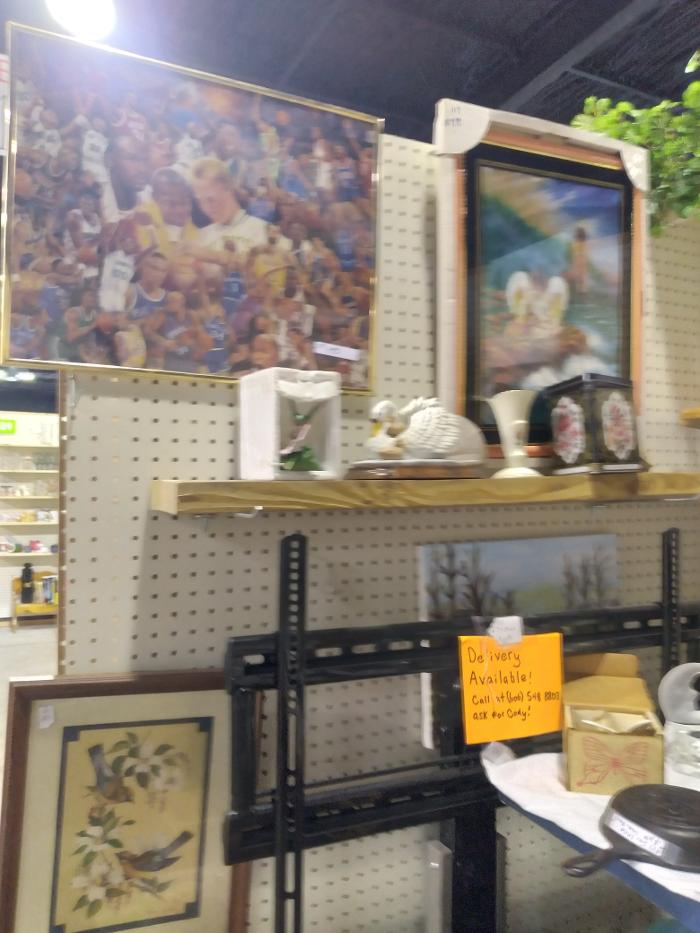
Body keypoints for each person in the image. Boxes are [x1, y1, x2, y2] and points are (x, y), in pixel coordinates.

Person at [191, 157, 266, 263]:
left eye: (211, 199)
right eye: (201, 202)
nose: (207, 207)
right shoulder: (200, 238)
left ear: (228, 188)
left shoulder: (262, 231)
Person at [135, 168, 198, 260]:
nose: (180, 210)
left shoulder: (196, 223)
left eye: (184, 202)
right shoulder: (142, 219)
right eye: (171, 203)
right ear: (154, 198)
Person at [101, 134, 151, 224]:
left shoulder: (151, 198)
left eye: (145, 160)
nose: (142, 169)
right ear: (110, 160)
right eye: (132, 159)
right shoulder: (97, 201)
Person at [126, 252, 168, 323]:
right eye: (154, 268)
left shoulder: (168, 298)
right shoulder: (129, 291)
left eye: (163, 271)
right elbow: (115, 322)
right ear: (144, 267)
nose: (159, 274)